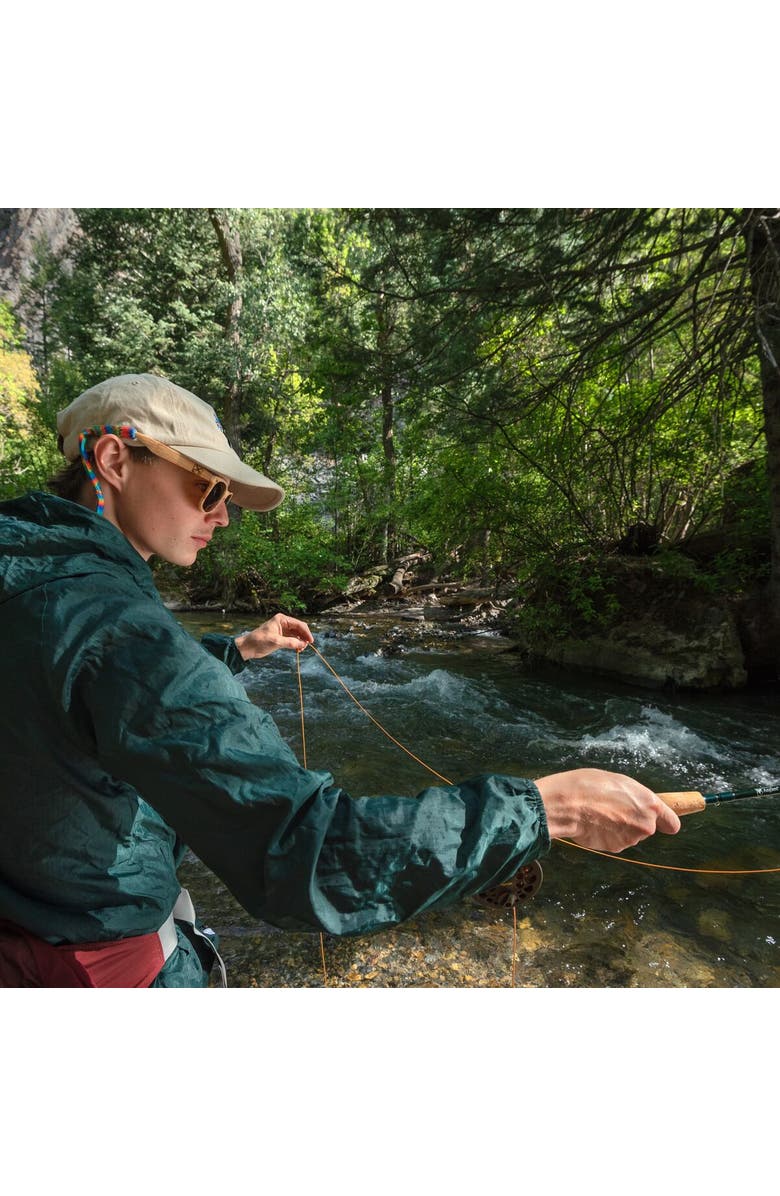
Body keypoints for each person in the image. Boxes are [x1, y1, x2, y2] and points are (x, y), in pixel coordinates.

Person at [0, 373, 681, 987]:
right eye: (207, 487)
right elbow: (306, 854)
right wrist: (546, 810)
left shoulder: (32, 575)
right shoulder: (122, 627)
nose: (223, 514)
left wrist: (237, 649)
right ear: (115, 459)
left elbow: (76, 695)